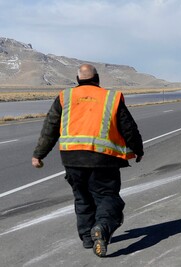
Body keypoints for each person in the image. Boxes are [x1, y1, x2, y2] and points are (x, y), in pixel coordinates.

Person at [32, 64, 144, 257]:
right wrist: (138, 149)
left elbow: (50, 127)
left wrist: (38, 155)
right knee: (107, 198)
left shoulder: (65, 97)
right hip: (104, 159)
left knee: (82, 198)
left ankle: (87, 238)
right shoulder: (111, 97)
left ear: (77, 80)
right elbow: (128, 128)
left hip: (72, 158)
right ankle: (101, 227)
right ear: (98, 78)